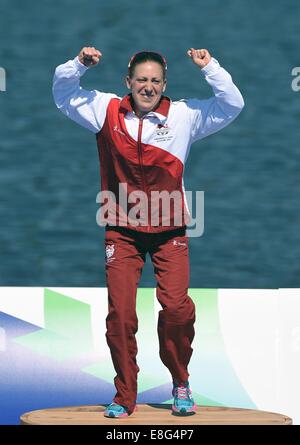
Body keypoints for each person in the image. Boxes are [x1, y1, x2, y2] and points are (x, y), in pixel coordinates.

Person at [52, 46, 244, 418]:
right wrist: (78, 65)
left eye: (156, 81)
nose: (148, 86)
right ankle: (125, 395)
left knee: (175, 309)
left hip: (169, 228)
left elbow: (232, 104)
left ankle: (181, 382)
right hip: (121, 229)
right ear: (128, 82)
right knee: (120, 316)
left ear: (164, 85)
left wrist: (211, 68)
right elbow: (62, 93)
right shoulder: (104, 109)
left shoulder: (186, 116)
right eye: (141, 80)